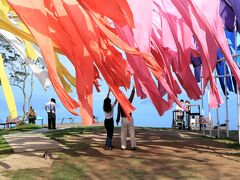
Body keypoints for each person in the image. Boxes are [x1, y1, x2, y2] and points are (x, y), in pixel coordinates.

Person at [116, 86, 136, 151]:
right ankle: (133, 146)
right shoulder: (128, 101)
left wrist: (117, 120)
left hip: (124, 119)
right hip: (130, 118)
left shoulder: (119, 103)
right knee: (132, 133)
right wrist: (133, 88)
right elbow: (132, 96)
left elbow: (118, 113)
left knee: (123, 134)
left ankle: (123, 146)